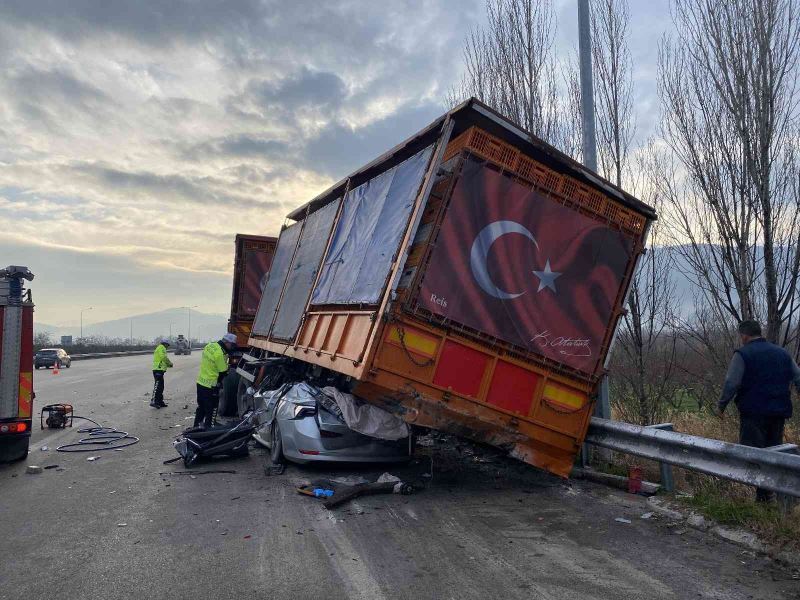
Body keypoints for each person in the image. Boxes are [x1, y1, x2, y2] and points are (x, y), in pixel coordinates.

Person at [717, 320, 800, 501]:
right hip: (778, 412)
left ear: (744, 335)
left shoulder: (743, 354)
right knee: (774, 454)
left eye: (741, 336)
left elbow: (732, 382)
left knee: (754, 455)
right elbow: (798, 376)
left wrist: (722, 405)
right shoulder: (782, 353)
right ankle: (774, 496)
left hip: (753, 413)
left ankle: (763, 498)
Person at [194, 333, 238, 429]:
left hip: (201, 382)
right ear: (226, 342)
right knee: (212, 408)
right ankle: (209, 427)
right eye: (232, 345)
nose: (232, 347)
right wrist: (227, 369)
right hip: (211, 385)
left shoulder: (210, 345)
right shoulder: (219, 354)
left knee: (201, 407)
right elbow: (222, 371)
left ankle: (196, 427)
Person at [151, 338, 173, 408]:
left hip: (159, 369)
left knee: (161, 387)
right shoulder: (161, 347)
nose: (168, 347)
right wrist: (169, 363)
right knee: (158, 386)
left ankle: (160, 402)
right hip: (158, 369)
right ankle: (154, 401)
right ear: (165, 344)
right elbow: (163, 357)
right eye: (167, 345)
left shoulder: (161, 348)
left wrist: (167, 365)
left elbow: (162, 359)